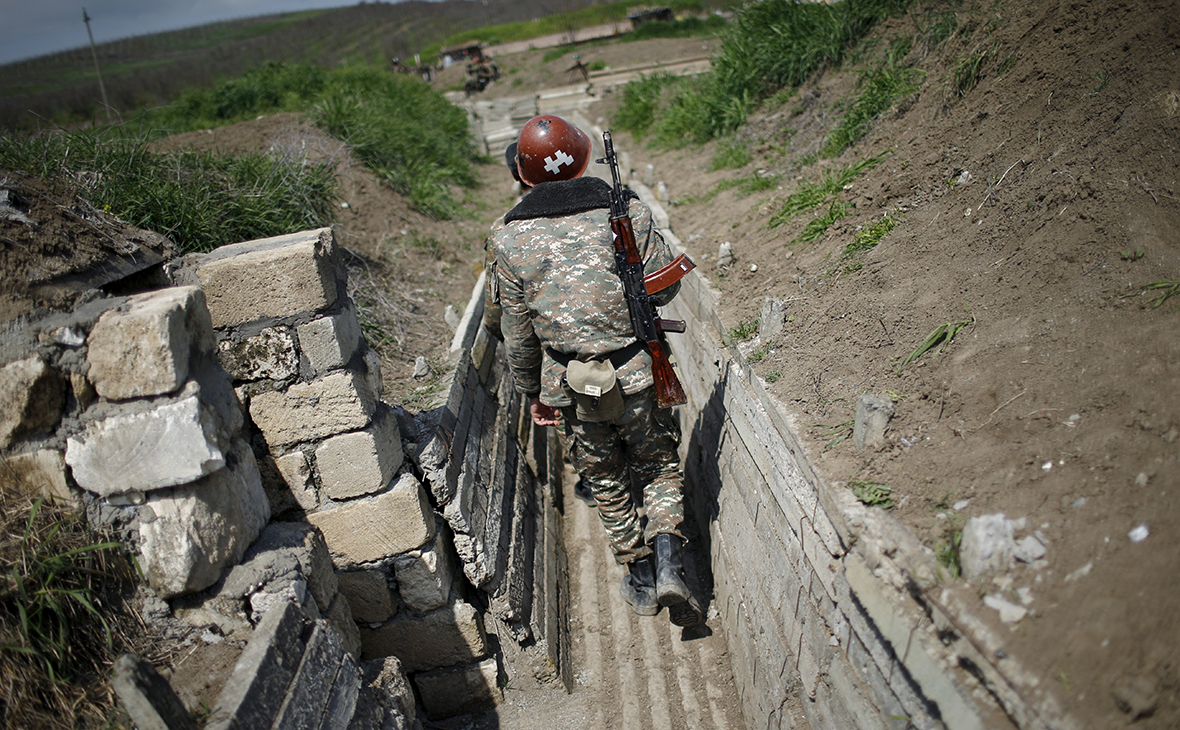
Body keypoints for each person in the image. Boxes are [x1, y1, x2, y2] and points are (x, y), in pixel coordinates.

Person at [485, 115, 702, 627]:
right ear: (583, 157)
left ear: (523, 172)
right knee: (657, 464)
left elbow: (517, 332)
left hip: (569, 385)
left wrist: (532, 393)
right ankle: (671, 559)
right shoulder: (626, 213)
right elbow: (665, 289)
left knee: (604, 477)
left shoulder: (507, 238)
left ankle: (642, 577)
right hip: (637, 371)